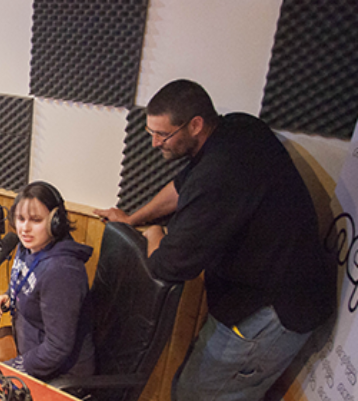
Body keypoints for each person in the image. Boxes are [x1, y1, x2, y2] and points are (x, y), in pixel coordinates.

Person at [94, 79, 335, 400]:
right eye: (150, 132)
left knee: (198, 395)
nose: (154, 143)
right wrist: (133, 219)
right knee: (189, 388)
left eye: (162, 134)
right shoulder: (237, 127)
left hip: (273, 311)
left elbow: (167, 265)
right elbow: (181, 188)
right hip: (253, 301)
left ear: (195, 125)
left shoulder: (219, 174)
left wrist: (153, 232)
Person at [0, 181, 95, 382]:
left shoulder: (62, 271)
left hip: (60, 374)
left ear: (55, 222)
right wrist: (9, 295)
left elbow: (57, 348)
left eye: (36, 220)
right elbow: (31, 284)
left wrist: (13, 368)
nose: (24, 228)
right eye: (20, 219)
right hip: (29, 352)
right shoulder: (29, 246)